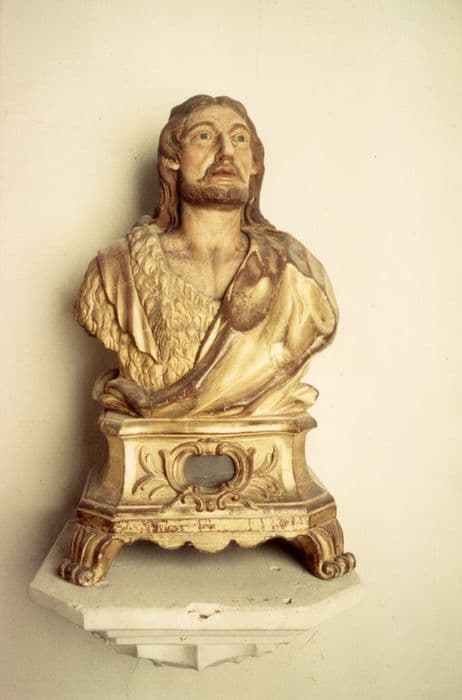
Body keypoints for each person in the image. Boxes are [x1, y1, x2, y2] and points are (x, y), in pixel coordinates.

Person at [75, 95, 338, 418]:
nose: (226, 151)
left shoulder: (294, 272)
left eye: (240, 139)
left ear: (254, 164)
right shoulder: (116, 272)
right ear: (173, 159)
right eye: (204, 136)